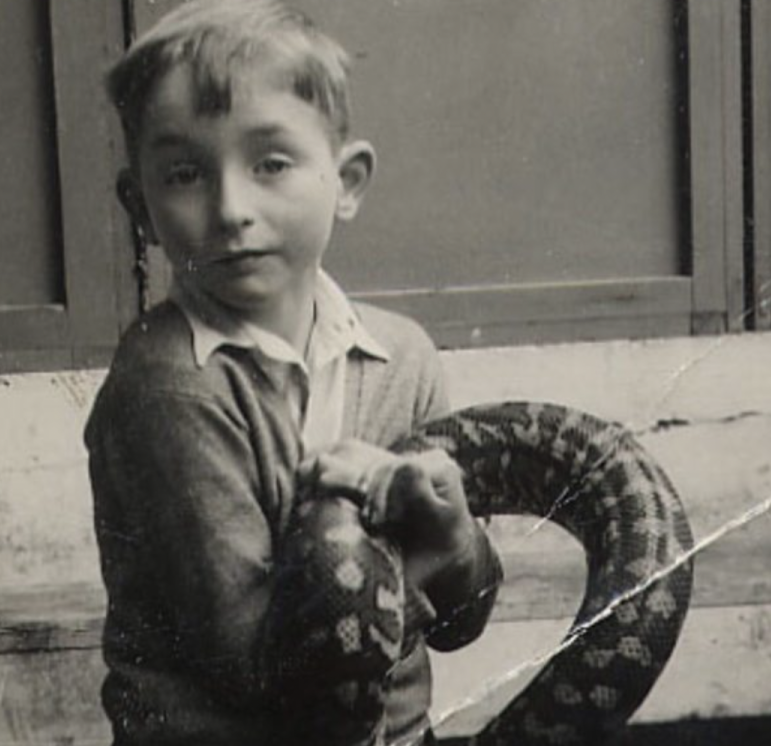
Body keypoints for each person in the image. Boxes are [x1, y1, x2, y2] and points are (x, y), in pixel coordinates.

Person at [84, 2, 501, 744]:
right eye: (184, 174)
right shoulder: (168, 386)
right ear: (139, 208)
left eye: (271, 164)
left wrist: (458, 539)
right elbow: (249, 665)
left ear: (347, 181)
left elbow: (463, 626)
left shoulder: (403, 357)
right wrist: (425, 560)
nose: (231, 209)